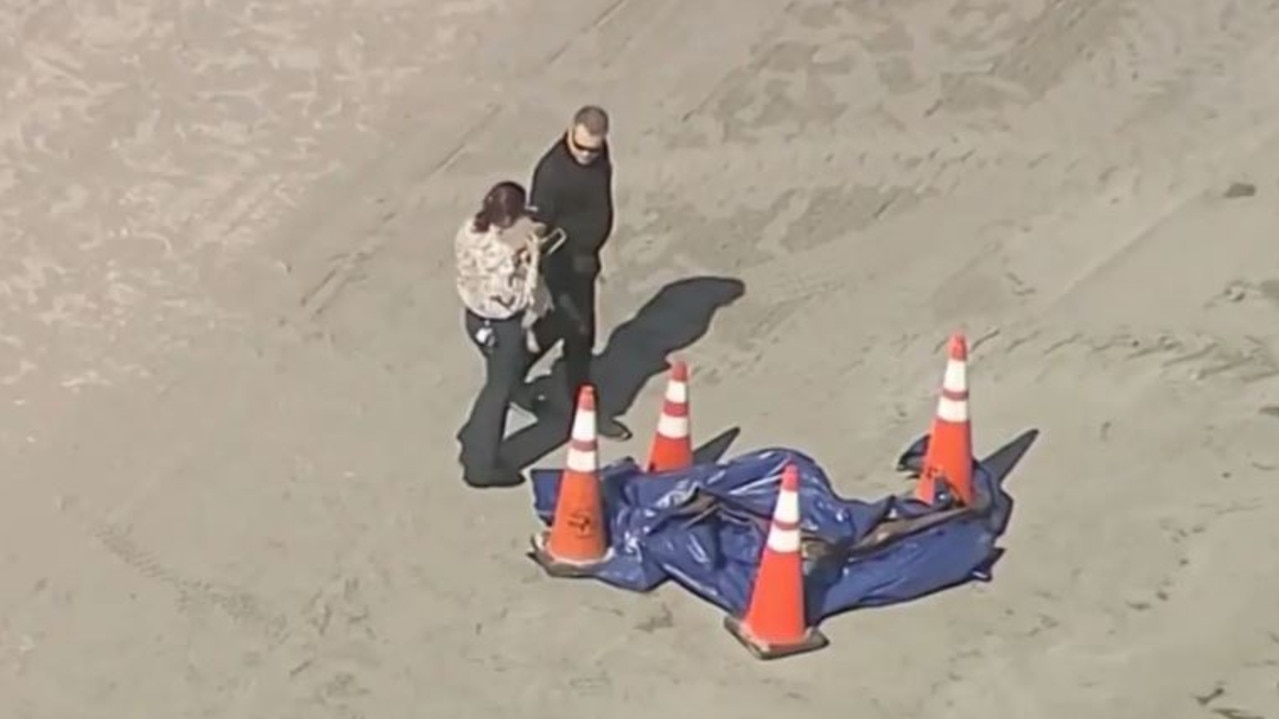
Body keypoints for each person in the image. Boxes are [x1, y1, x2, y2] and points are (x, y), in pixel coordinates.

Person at [523, 105, 631, 440]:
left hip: (585, 261)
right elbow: (536, 226)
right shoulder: (552, 173)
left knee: (566, 327)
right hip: (563, 265)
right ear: (570, 131)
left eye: (593, 149)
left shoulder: (599, 155)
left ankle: (513, 370)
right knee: (580, 333)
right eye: (581, 147)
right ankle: (585, 409)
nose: (586, 156)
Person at [454, 180, 547, 488]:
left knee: (501, 377)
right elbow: (518, 296)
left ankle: (474, 433)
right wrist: (530, 257)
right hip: (501, 325)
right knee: (498, 391)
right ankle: (480, 463)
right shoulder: (505, 255)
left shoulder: (470, 229)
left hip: (474, 318)